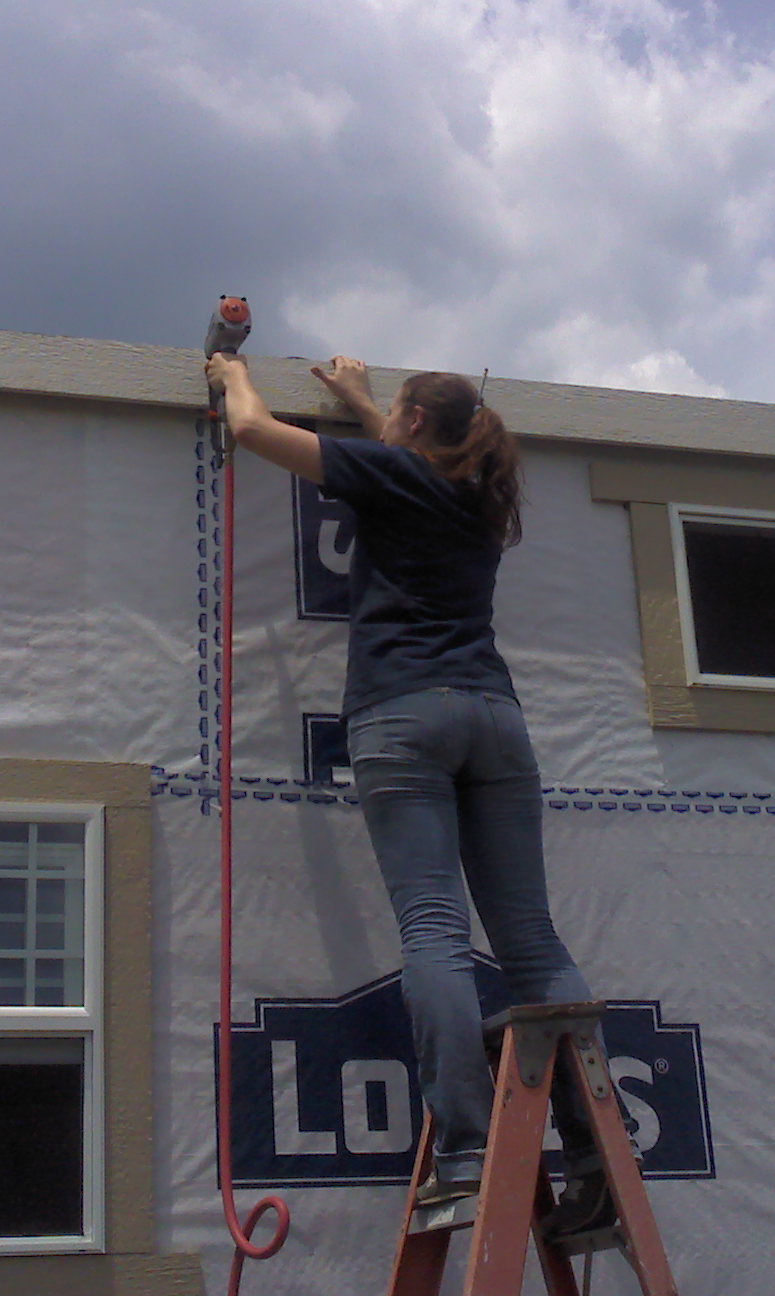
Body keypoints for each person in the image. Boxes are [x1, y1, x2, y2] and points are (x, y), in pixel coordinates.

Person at [204, 350, 619, 1230]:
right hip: (494, 718)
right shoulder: (479, 497)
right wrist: (362, 399)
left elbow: (252, 430)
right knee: (532, 940)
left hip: (403, 714)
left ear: (416, 424)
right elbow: (405, 457)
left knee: (434, 928)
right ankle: (594, 1156)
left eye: (396, 413)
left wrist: (230, 369)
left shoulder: (397, 475)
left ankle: (466, 1151)